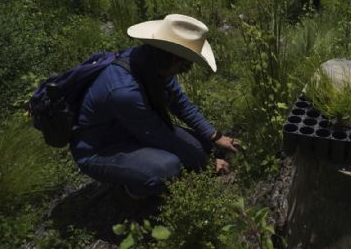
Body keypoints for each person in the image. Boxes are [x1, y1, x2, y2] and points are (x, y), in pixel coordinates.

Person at [71, 14, 238, 198]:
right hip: (100, 149)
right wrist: (207, 164)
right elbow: (160, 135)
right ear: (175, 58)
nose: (186, 70)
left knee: (204, 146)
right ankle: (135, 186)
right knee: (168, 167)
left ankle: (144, 164)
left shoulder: (153, 64)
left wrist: (214, 136)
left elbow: (181, 104)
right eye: (187, 65)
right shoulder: (124, 91)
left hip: (132, 129)